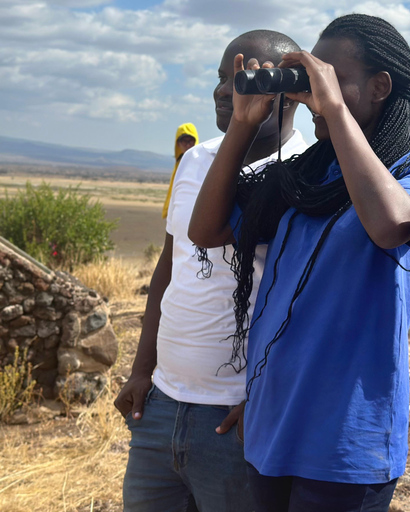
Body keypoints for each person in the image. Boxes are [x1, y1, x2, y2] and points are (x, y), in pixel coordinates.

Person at [188, 14, 410, 512]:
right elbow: (207, 230)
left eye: (333, 78)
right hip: (273, 426)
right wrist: (243, 125)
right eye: (310, 78)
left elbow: (391, 224)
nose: (314, 93)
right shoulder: (307, 174)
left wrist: (333, 110)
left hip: (345, 442)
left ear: (379, 87)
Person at [114, 30, 307, 512]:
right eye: (222, 77)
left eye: (242, 77)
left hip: (237, 416)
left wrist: (265, 400)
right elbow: (169, 266)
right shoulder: (195, 160)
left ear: (287, 91)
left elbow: (308, 302)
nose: (225, 90)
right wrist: (142, 370)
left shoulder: (309, 173)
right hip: (161, 404)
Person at [162, 123, 199, 219]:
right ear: (178, 143)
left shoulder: (200, 164)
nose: (187, 145)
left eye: (191, 141)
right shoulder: (179, 162)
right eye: (184, 141)